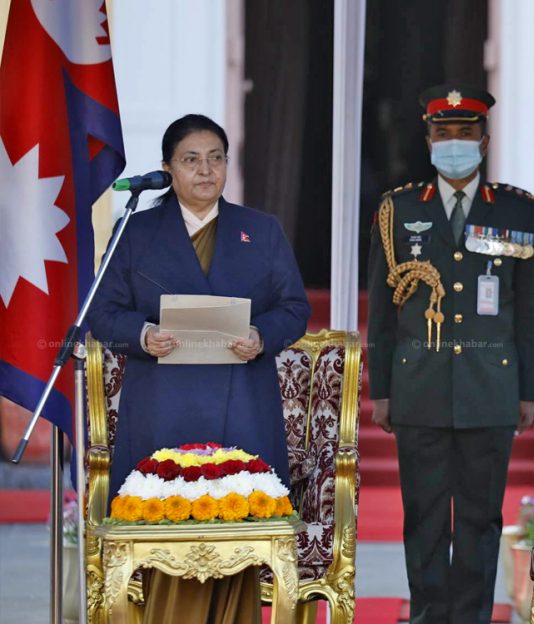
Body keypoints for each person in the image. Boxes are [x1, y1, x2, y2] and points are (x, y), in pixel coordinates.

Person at [87, 114, 311, 623]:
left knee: (240, 543)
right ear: (167, 169)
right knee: (168, 544)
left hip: (243, 411)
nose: (206, 170)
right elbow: (102, 312)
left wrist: (262, 335)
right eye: (191, 160)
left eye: (216, 158)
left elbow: (294, 308)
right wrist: (143, 335)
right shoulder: (135, 230)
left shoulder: (262, 229)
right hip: (163, 411)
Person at [367, 84, 534, 624]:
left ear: (484, 141)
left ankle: (469, 616)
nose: (453, 144)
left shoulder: (517, 209)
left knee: (479, 518)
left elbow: (529, 306)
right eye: (442, 133)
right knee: (423, 517)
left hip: (490, 386)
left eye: (464, 134)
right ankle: (427, 615)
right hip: (418, 383)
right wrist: (381, 388)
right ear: (427, 140)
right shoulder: (397, 209)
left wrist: (527, 390)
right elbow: (381, 306)